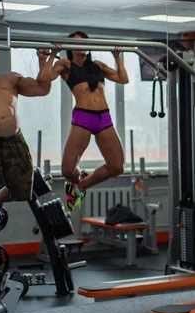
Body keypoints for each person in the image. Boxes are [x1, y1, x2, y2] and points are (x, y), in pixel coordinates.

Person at [39, 32, 129, 211]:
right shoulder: (65, 65)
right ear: (70, 48)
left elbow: (123, 78)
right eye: (77, 43)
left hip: (104, 118)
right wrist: (50, 55)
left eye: (85, 42)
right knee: (67, 170)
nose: (83, 45)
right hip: (83, 118)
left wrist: (117, 56)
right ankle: (78, 179)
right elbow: (45, 78)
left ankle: (81, 185)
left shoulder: (97, 66)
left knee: (117, 166)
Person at [0, 49, 52, 222]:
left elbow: (42, 88)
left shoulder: (11, 79)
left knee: (22, 187)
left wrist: (42, 60)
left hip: (13, 139)